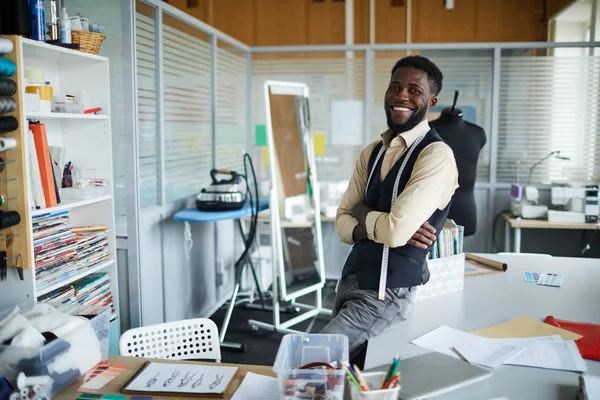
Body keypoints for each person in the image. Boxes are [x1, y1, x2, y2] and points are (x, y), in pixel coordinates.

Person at [320, 55, 459, 367]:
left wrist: (362, 212)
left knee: (309, 360)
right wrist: (376, 221)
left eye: (414, 90)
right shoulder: (372, 152)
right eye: (395, 87)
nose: (402, 96)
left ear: (431, 100)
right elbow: (341, 219)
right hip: (350, 282)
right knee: (345, 376)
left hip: (386, 293)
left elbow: (394, 232)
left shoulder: (436, 155)